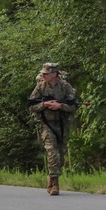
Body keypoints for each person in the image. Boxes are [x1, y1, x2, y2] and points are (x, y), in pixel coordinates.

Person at [28, 62, 78, 196]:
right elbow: (31, 106)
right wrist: (44, 104)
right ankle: (55, 184)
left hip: (62, 125)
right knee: (52, 152)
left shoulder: (65, 87)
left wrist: (60, 106)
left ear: (54, 74)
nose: (43, 75)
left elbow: (74, 106)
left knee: (61, 155)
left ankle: (51, 177)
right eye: (43, 73)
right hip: (47, 124)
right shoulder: (40, 87)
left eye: (47, 73)